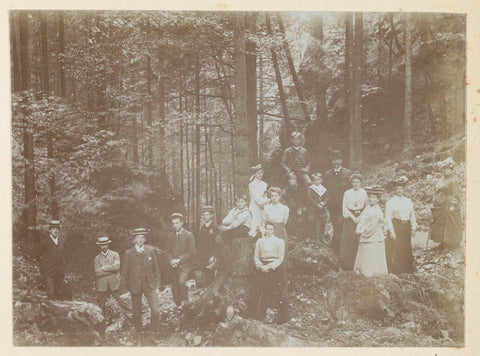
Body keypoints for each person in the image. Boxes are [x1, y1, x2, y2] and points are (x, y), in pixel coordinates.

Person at [119, 228, 161, 334]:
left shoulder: (150, 250)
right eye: (138, 238)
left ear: (145, 239)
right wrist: (124, 290)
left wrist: (157, 286)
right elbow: (124, 273)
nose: (141, 240)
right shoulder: (129, 253)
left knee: (155, 311)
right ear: (134, 240)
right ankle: (139, 335)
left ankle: (152, 333)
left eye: (142, 237)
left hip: (149, 285)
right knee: (137, 314)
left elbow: (156, 269)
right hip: (135, 286)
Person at [249, 222, 288, 324]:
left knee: (274, 290)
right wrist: (261, 266)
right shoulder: (260, 241)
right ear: (264, 229)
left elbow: (280, 258)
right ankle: (258, 315)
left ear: (274, 230)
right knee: (258, 288)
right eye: (267, 229)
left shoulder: (279, 242)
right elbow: (256, 256)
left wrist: (269, 267)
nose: (268, 231)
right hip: (261, 267)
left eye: (271, 229)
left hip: (274, 268)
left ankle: (276, 317)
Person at [207, 194, 253, 269]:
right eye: (238, 202)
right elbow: (224, 221)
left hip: (244, 228)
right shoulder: (234, 210)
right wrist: (229, 225)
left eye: (242, 202)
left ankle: (222, 256)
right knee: (219, 233)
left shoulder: (246, 212)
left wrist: (228, 227)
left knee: (227, 233)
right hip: (233, 227)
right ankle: (216, 256)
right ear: (236, 202)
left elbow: (237, 223)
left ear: (246, 203)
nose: (240, 203)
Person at [93, 236, 132, 324]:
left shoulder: (115, 254)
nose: (104, 246)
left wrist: (105, 267)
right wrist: (112, 271)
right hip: (102, 285)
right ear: (99, 246)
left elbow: (117, 267)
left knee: (124, 304)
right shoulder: (97, 258)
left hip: (115, 284)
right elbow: (98, 273)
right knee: (100, 305)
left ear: (108, 244)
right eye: (102, 245)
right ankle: (101, 322)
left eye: (105, 244)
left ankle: (132, 322)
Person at [384, 176, 418, 273]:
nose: (399, 190)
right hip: (396, 226)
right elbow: (388, 217)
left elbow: (412, 215)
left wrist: (413, 227)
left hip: (406, 226)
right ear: (395, 190)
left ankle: (407, 269)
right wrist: (391, 231)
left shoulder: (408, 201)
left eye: (401, 188)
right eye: (398, 188)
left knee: (406, 247)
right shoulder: (390, 202)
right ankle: (396, 270)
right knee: (397, 247)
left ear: (404, 189)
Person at [354, 186, 388, 277]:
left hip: (373, 238)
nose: (371, 199)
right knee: (364, 256)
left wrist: (361, 232)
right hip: (365, 237)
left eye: (373, 198)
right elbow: (361, 219)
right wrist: (358, 228)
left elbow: (371, 227)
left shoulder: (377, 211)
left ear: (378, 200)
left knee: (372, 258)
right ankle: (363, 274)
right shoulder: (367, 208)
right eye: (369, 197)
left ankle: (372, 276)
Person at [323, 150, 352, 256]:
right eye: (334, 160)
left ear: (341, 160)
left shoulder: (348, 173)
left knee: (343, 229)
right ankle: (336, 253)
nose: (336, 162)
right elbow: (325, 191)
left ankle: (342, 252)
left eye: (338, 159)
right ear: (331, 161)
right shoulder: (327, 174)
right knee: (337, 228)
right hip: (333, 207)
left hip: (345, 206)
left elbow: (350, 191)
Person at [429, 161, 462, 249]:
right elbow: (438, 190)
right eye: (445, 169)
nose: (446, 171)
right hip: (440, 205)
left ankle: (453, 244)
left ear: (451, 170)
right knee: (441, 224)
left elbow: (456, 194)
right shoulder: (442, 179)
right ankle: (443, 242)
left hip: (449, 205)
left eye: (448, 169)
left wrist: (453, 205)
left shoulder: (454, 180)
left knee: (450, 224)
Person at [165, 213, 196, 306]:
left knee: (181, 283)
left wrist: (179, 260)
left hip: (185, 266)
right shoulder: (170, 236)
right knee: (174, 286)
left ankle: (185, 304)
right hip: (173, 266)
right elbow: (167, 251)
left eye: (177, 223)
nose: (175, 225)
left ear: (182, 223)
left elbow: (192, 252)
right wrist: (171, 261)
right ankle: (178, 305)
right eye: (173, 223)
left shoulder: (188, 235)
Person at [340, 173, 368, 270]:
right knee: (348, 239)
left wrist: (360, 217)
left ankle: (359, 264)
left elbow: (367, 206)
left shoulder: (364, 192)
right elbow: (344, 206)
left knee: (358, 239)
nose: (356, 184)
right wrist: (352, 217)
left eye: (358, 182)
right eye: (354, 182)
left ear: (361, 183)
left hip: (361, 216)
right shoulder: (347, 193)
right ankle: (347, 264)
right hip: (350, 218)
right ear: (351, 183)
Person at [281, 132, 312, 214]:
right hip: (293, 172)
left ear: (300, 140)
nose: (296, 141)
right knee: (293, 185)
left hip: (302, 171)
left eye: (298, 139)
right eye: (294, 139)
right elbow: (283, 163)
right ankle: (298, 204)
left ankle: (306, 203)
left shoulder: (304, 150)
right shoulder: (287, 151)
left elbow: (309, 162)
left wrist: (307, 169)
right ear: (291, 140)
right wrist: (288, 171)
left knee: (309, 183)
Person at [36, 220, 66, 299]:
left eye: (57, 228)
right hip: (48, 273)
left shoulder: (62, 242)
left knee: (59, 294)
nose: (55, 230)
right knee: (51, 293)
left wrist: (63, 267)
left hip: (59, 273)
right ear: (50, 230)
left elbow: (64, 256)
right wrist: (44, 267)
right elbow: (37, 255)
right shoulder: (44, 242)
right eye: (53, 228)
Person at [196, 206, 218, 286]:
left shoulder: (215, 227)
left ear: (211, 215)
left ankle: (212, 296)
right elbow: (199, 243)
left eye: (207, 214)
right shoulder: (202, 228)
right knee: (204, 276)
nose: (205, 217)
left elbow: (217, 244)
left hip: (211, 256)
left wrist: (214, 255)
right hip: (202, 255)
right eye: (204, 215)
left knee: (211, 276)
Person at [307, 172, 330, 244]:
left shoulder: (323, 189)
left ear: (321, 180)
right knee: (312, 222)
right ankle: (311, 237)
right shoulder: (311, 189)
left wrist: (323, 203)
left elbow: (327, 197)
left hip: (322, 209)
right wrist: (317, 204)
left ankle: (321, 237)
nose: (317, 181)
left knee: (323, 222)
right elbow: (310, 198)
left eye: (319, 180)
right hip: (313, 209)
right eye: (315, 180)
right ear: (313, 181)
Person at [248, 164, 269, 236]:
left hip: (263, 208)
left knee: (263, 225)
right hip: (255, 208)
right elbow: (257, 199)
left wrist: (266, 203)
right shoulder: (252, 185)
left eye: (261, 172)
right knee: (255, 227)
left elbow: (265, 196)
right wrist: (268, 200)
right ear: (254, 174)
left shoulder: (264, 184)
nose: (260, 174)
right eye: (258, 173)